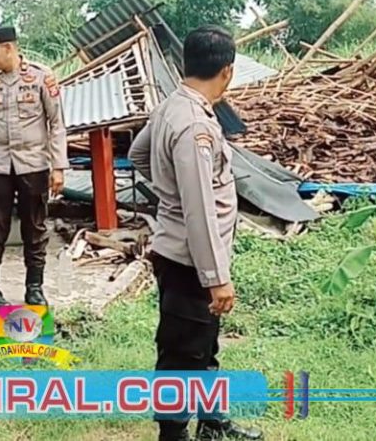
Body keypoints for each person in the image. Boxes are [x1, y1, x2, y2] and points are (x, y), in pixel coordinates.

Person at [128, 26, 262, 441]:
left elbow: (137, 153)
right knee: (182, 353)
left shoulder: (172, 106)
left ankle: (211, 422)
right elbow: (199, 210)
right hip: (191, 261)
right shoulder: (194, 126)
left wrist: (168, 189)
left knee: (203, 344)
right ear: (227, 71)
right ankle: (173, 435)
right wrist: (216, 278)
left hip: (187, 255)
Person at [0, 26, 69, 313]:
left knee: (34, 226)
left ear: (9, 48)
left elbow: (56, 124)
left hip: (33, 163)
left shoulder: (41, 76)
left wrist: (58, 167)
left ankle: (34, 288)